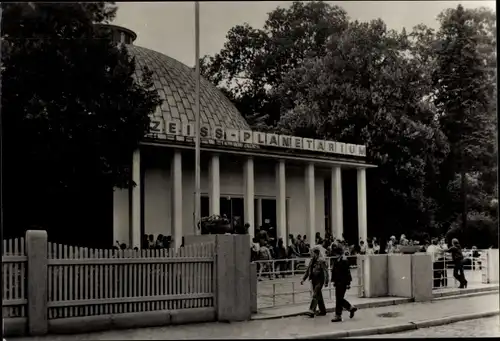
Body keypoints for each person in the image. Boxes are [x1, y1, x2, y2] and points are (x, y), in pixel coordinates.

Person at [330, 245, 357, 322]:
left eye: (336, 253)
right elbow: (334, 272)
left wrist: (348, 283)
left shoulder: (344, 261)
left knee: (339, 299)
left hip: (343, 282)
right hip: (338, 282)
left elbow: (347, 273)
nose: (335, 255)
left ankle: (339, 314)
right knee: (339, 298)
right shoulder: (337, 261)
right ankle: (349, 308)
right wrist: (334, 281)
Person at [301, 247, 329, 317]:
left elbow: (326, 272)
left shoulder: (321, 261)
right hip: (314, 280)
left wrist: (326, 281)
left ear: (316, 253)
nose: (311, 255)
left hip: (320, 280)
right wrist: (303, 279)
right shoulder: (311, 261)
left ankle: (311, 310)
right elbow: (308, 271)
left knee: (315, 294)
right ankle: (323, 310)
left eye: (312, 253)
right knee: (318, 295)